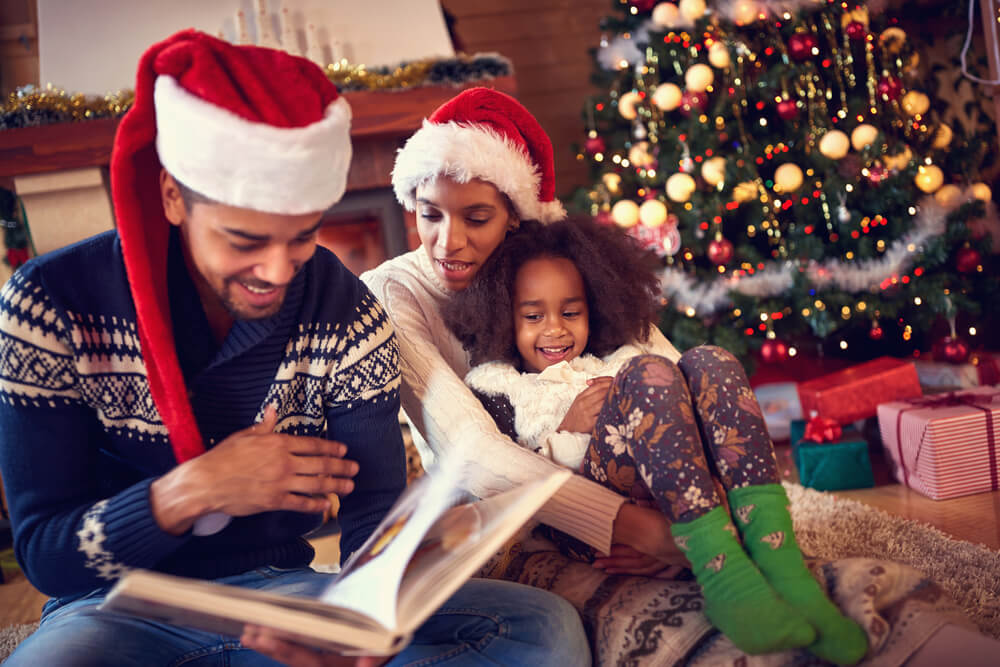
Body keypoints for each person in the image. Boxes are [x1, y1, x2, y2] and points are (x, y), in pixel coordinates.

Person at [0, 32, 590, 667]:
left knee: (542, 630)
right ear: (174, 196)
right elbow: (46, 555)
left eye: (302, 237)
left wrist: (367, 625)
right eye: (245, 239)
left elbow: (373, 522)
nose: (278, 271)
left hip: (287, 596)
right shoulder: (49, 303)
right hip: (112, 610)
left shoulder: (347, 310)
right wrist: (193, 491)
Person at [358, 85, 1000, 666]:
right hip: (521, 526)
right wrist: (630, 527)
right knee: (662, 617)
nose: (447, 243)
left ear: (519, 215)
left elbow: (661, 368)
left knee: (713, 396)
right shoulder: (394, 291)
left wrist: (693, 505)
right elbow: (474, 454)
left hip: (645, 488)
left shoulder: (552, 259)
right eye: (427, 213)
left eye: (476, 218)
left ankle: (880, 617)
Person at [442, 216, 869, 661]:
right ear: (503, 318)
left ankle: (779, 560)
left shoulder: (615, 359)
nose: (555, 329)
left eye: (571, 312)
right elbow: (506, 484)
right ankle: (723, 577)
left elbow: (693, 429)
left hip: (666, 500)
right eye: (533, 316)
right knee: (649, 374)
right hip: (579, 520)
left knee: (710, 361)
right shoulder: (499, 388)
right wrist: (566, 425)